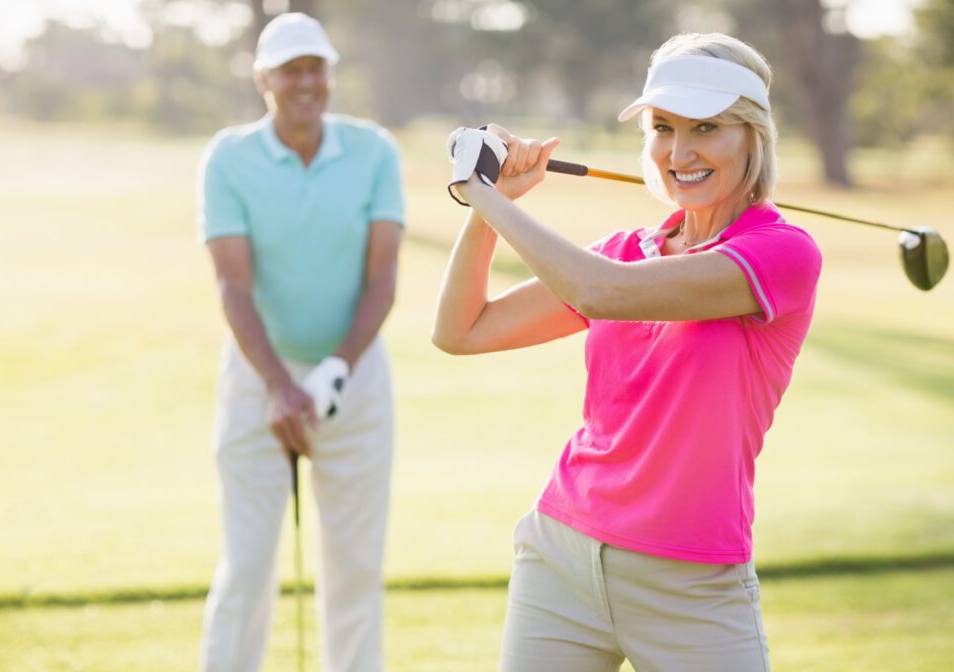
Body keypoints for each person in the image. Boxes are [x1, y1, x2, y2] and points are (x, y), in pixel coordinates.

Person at [435, 32, 821, 672]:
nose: (680, 151)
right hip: (562, 554)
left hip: (691, 583)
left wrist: (485, 194)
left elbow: (599, 291)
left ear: (753, 136)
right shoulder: (623, 251)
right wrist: (487, 205)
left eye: (707, 128)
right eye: (663, 128)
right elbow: (461, 330)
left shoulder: (782, 254)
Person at [196, 13, 404, 672]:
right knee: (248, 567)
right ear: (264, 79)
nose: (305, 82)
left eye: (316, 67)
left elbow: (383, 278)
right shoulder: (230, 157)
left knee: (354, 570)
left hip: (356, 376)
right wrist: (281, 388)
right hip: (259, 377)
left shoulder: (374, 151)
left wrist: (335, 370)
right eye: (290, 70)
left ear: (330, 75)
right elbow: (233, 287)